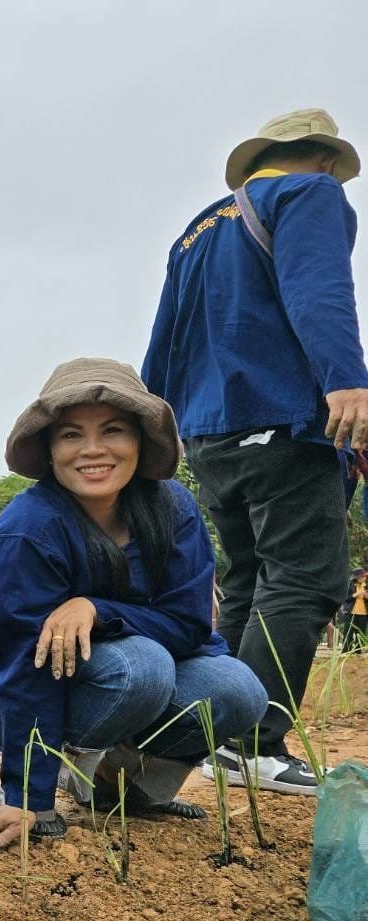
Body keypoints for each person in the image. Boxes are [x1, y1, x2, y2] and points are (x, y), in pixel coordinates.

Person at [0, 359, 268, 847]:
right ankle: (55, 774)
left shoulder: (173, 509)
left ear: (140, 440)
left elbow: (189, 625)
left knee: (237, 690)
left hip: (113, 665)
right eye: (71, 435)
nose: (93, 450)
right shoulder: (24, 533)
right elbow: (23, 668)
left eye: (112, 430)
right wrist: (27, 795)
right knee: (142, 668)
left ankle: (122, 787)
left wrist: (95, 609)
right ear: (50, 450)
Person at [141, 107, 368, 796]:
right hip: (280, 418)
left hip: (208, 435)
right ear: (324, 159)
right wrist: (347, 379)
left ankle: (224, 742)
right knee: (304, 576)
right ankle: (252, 742)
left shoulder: (196, 230)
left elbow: (165, 338)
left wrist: (154, 428)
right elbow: (318, 289)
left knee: (245, 582)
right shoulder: (311, 195)